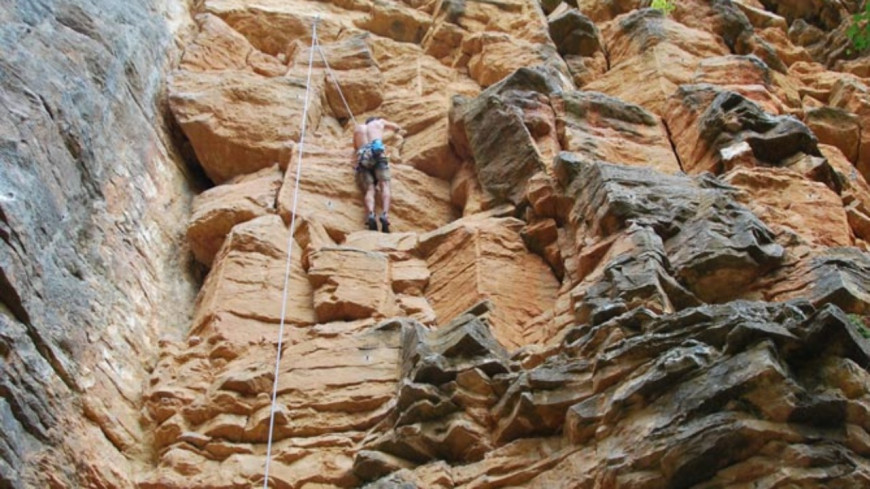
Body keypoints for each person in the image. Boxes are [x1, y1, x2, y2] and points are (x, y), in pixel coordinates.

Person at [353, 116, 404, 232]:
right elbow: (396, 127)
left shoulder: (358, 129)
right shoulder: (379, 122)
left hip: (364, 157)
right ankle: (385, 215)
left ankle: (371, 214)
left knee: (370, 189)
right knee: (385, 185)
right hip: (378, 154)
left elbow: (355, 147)